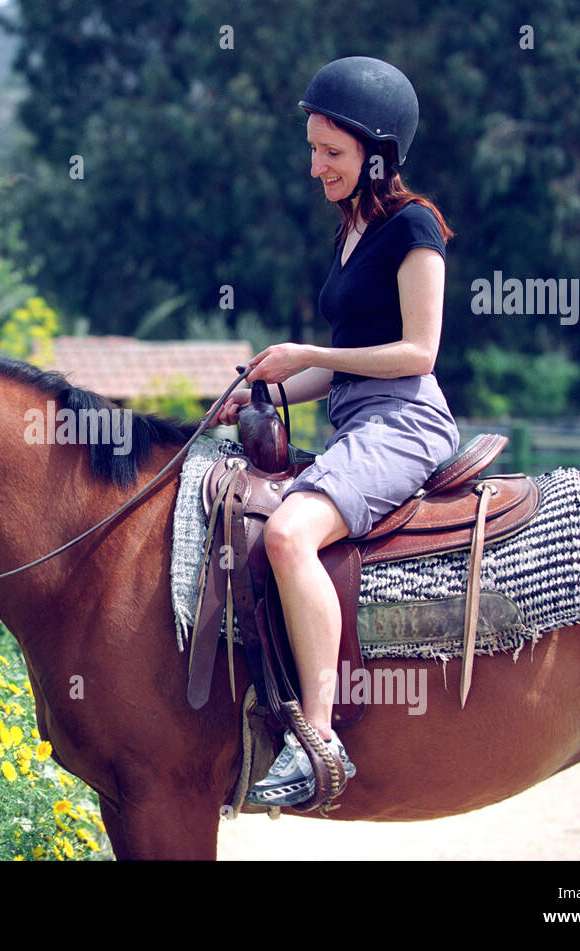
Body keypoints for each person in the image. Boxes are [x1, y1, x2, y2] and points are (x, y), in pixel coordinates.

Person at [215, 56, 460, 807]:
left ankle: (319, 740)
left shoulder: (415, 227)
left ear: (377, 157)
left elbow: (419, 351)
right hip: (361, 413)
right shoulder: (351, 229)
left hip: (407, 419)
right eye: (314, 147)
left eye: (332, 153)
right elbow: (346, 369)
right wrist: (263, 386)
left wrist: (309, 353)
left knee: (288, 534)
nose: (314, 164)